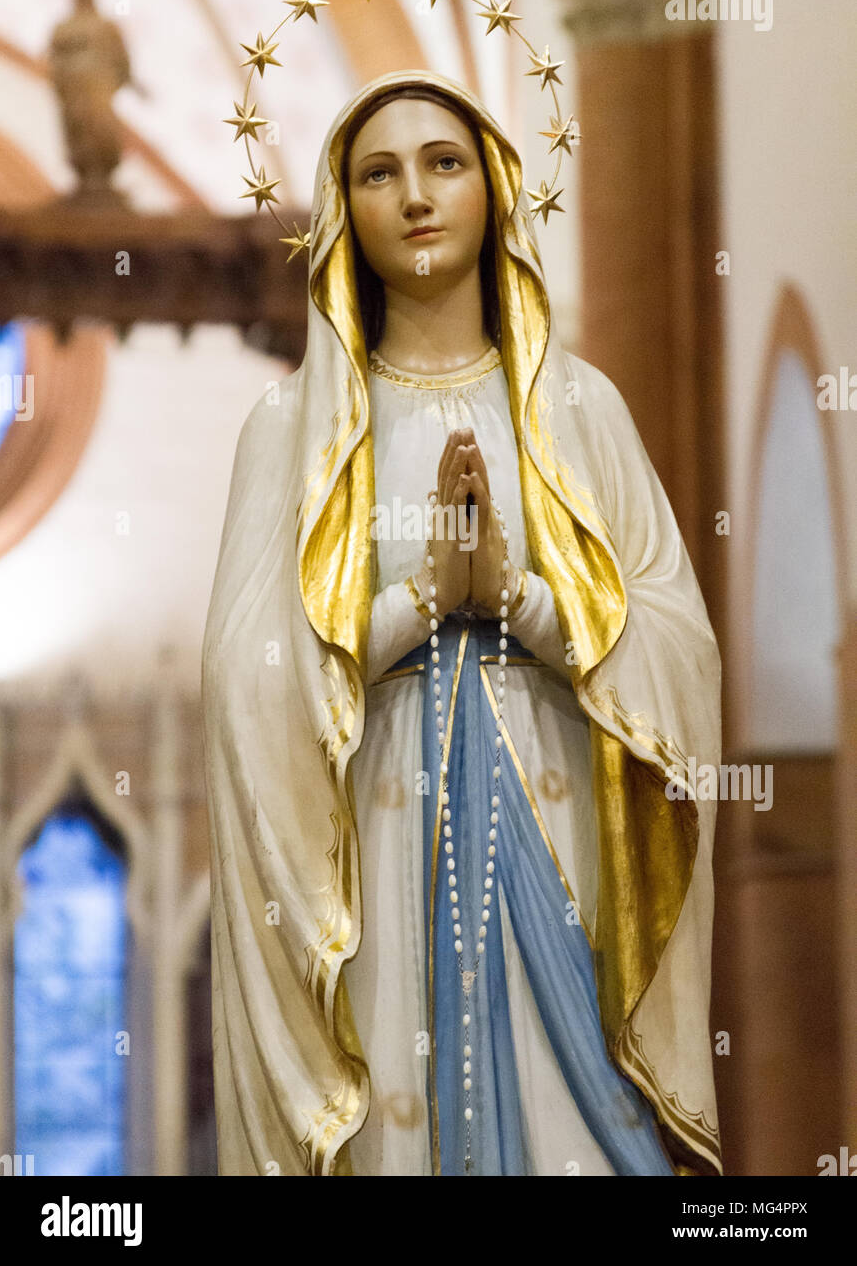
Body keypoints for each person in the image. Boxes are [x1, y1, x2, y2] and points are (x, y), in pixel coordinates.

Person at [201, 69, 723, 1177]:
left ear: (492, 187)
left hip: (560, 806)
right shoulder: (288, 429)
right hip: (378, 819)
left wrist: (523, 602)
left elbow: (678, 640)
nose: (416, 196)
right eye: (378, 173)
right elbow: (245, 684)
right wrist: (418, 602)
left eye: (443, 163)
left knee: (576, 1123)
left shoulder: (578, 407)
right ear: (344, 207)